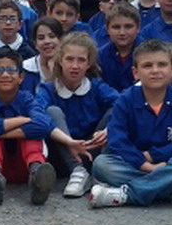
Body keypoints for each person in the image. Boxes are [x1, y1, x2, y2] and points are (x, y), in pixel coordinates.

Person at [89, 40, 172, 208]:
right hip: (134, 163)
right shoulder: (125, 100)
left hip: (169, 162)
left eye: (162, 65)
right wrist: (145, 165)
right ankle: (171, 190)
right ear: (135, 73)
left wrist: (152, 156)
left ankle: (126, 194)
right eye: (147, 66)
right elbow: (117, 140)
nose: (155, 70)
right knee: (102, 165)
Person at [38, 33, 119, 198]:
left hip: (90, 150)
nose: (75, 66)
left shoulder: (96, 87)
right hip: (61, 154)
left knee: (115, 112)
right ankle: (78, 170)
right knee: (52, 111)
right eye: (69, 59)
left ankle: (96, 173)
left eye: (81, 60)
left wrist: (108, 129)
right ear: (60, 60)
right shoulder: (48, 89)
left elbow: (124, 104)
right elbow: (36, 114)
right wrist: (69, 142)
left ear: (88, 64)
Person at [0, 48, 55, 206]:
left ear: (21, 77)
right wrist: (19, 120)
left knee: (32, 135)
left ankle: (38, 177)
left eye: (11, 70)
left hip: (25, 165)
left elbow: (43, 126)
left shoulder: (28, 99)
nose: (5, 75)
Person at [97, 4, 139, 94]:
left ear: (138, 28)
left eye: (128, 26)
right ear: (107, 29)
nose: (122, 32)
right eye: (116, 27)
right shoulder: (99, 56)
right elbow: (98, 86)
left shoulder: (149, 55)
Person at [21, 17, 63, 94]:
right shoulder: (26, 68)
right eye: (41, 38)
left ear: (61, 40)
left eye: (52, 36)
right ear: (35, 44)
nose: (47, 41)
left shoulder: (69, 67)